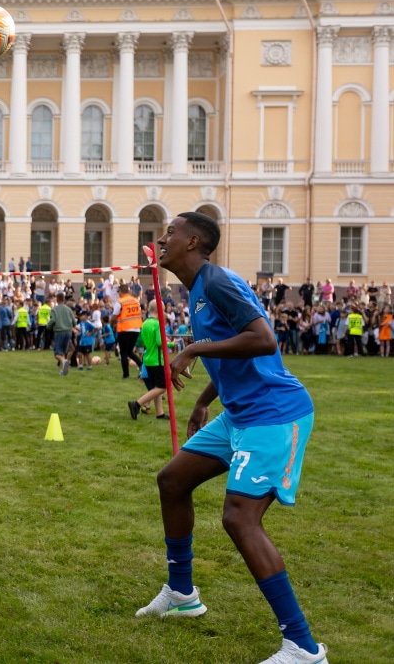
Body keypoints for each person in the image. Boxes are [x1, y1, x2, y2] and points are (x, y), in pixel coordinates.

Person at [136, 212, 328, 664]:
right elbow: (234, 352)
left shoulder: (217, 281)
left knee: (240, 518)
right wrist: (205, 400)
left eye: (170, 233)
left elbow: (262, 340)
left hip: (273, 414)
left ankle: (302, 647)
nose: (162, 239)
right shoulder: (199, 289)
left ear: (193, 242)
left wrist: (192, 348)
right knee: (173, 480)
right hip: (238, 413)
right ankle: (183, 592)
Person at [128, 300, 169, 420]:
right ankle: (137, 404)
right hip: (157, 359)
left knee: (156, 387)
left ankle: (160, 413)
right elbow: (160, 342)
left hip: (148, 359)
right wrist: (170, 344)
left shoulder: (145, 322)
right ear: (160, 310)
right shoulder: (157, 323)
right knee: (162, 387)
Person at [113, 283, 144, 378]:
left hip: (125, 329)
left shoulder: (120, 301)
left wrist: (111, 322)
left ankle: (126, 375)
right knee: (130, 352)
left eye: (118, 292)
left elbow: (115, 314)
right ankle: (142, 366)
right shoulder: (135, 301)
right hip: (136, 329)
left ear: (121, 292)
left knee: (124, 353)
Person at [48, 293, 75, 374]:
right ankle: (64, 371)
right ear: (64, 299)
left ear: (57, 299)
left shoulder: (54, 309)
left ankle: (64, 361)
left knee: (57, 353)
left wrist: (48, 326)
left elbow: (53, 320)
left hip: (59, 332)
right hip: (68, 332)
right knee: (63, 352)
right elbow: (74, 321)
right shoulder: (69, 309)